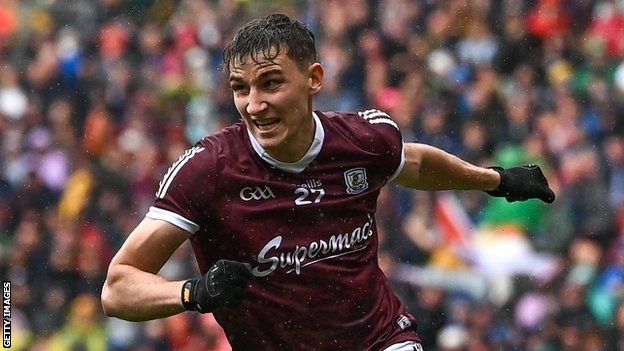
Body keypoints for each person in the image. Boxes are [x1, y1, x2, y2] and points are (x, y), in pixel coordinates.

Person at [101, 14, 555, 351]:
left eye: (271, 84)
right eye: (241, 89)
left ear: (314, 79)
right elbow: (118, 287)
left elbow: (411, 162)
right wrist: (192, 293)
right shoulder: (207, 171)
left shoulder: (364, 138)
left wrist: (495, 180)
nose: (255, 105)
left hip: (380, 339)